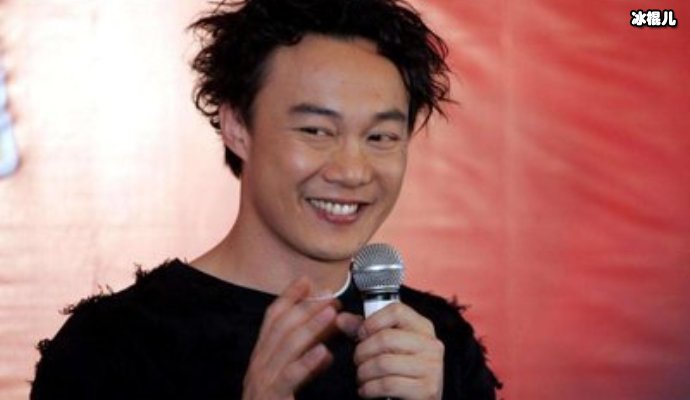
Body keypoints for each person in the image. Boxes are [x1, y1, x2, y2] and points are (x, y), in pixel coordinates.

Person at [31, 0, 501, 398]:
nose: (352, 171)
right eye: (316, 131)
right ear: (237, 126)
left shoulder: (435, 344)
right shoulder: (113, 347)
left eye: (380, 137)